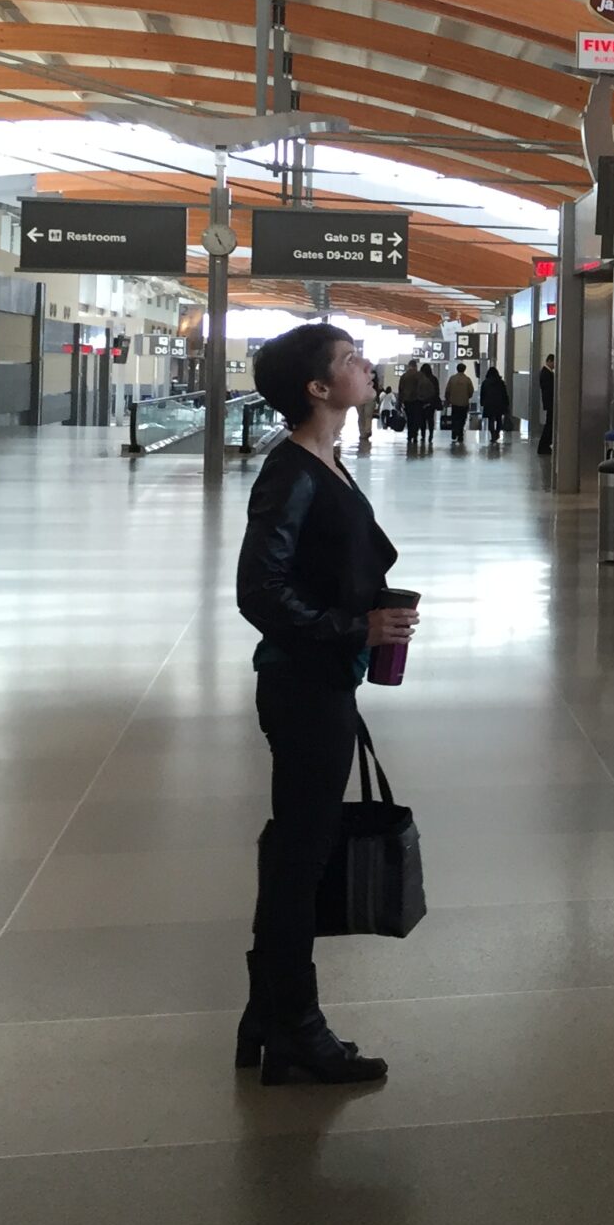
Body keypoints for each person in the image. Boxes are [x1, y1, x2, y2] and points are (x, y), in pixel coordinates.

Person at [235, 322, 414, 1087]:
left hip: (324, 678)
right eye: (348, 360)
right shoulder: (290, 474)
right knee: (300, 854)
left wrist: (368, 617)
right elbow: (259, 591)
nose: (364, 365)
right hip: (304, 686)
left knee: (296, 846)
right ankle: (294, 1025)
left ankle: (270, 1011)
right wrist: (354, 625)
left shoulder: (326, 462)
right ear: (317, 388)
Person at [398, 361, 436, 449]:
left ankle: (409, 435)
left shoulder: (404, 376)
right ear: (415, 366)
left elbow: (400, 390)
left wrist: (399, 403)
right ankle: (415, 435)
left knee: (410, 418)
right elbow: (428, 386)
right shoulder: (420, 375)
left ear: (409, 366)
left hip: (407, 401)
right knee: (416, 418)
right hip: (417, 400)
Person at [443, 362, 475, 446]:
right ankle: (460, 434)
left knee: (454, 418)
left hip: (454, 403)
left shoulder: (452, 379)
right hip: (464, 403)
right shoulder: (467, 379)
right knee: (462, 419)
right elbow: (471, 391)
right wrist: (467, 396)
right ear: (464, 369)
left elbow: (447, 390)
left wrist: (448, 399)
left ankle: (454, 431)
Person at [479, 364, 511, 445]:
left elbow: (482, 394)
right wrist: (506, 404)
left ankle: (493, 435)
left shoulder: (485, 383)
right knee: (499, 419)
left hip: (489, 404)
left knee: (491, 420)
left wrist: (482, 403)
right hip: (499, 404)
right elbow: (504, 394)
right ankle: (497, 433)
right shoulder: (501, 382)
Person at [354, 362, 380, 451]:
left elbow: (376, 387)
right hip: (360, 397)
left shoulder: (371, 376)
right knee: (362, 415)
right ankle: (363, 432)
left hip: (369, 397)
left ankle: (367, 431)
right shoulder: (360, 376)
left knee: (367, 414)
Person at [535, 352, 556, 456]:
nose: (554, 365)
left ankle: (545, 445)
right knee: (549, 425)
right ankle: (543, 446)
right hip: (550, 403)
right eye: (553, 362)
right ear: (549, 361)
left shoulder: (547, 373)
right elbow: (550, 389)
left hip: (549, 403)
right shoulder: (546, 373)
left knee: (550, 424)